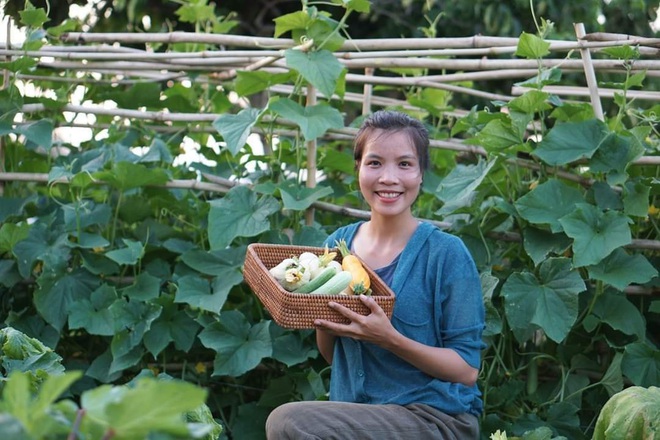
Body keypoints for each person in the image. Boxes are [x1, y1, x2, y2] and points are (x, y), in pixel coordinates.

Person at [265, 110, 486, 439]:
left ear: (421, 174)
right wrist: (326, 314)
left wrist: (390, 339)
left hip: (435, 417)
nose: (389, 178)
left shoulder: (446, 254)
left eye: (405, 164)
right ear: (358, 169)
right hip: (358, 413)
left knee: (288, 421)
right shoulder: (338, 247)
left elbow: (467, 370)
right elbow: (331, 354)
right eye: (375, 163)